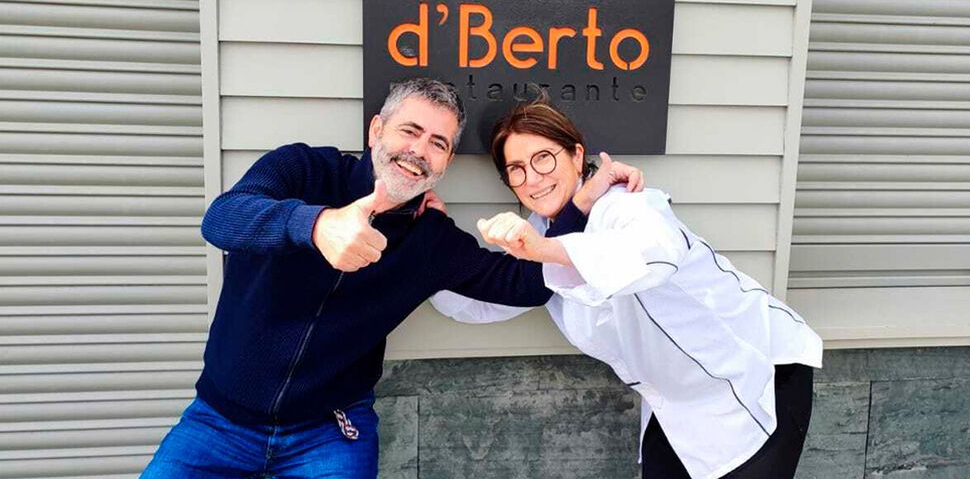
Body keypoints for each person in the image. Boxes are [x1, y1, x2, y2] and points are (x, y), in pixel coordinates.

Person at [141, 78, 643, 478]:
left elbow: (528, 284)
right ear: (376, 130)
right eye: (409, 130)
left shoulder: (431, 240)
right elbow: (222, 219)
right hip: (219, 422)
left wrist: (579, 205)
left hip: (331, 433)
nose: (419, 149)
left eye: (438, 142)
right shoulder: (304, 169)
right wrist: (315, 225)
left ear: (445, 163)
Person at [431, 96, 824, 479]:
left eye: (544, 158)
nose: (533, 178)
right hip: (679, 401)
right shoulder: (541, 230)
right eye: (516, 168)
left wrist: (550, 250)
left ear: (574, 154)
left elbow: (655, 251)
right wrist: (426, 247)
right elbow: (486, 300)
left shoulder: (626, 204)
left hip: (757, 374)